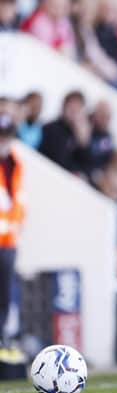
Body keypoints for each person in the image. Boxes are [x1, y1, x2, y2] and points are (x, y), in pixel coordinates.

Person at [0, 112, 25, 345]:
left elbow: (17, 201)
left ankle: (2, 338)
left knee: (5, 293)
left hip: (8, 241)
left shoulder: (15, 163)